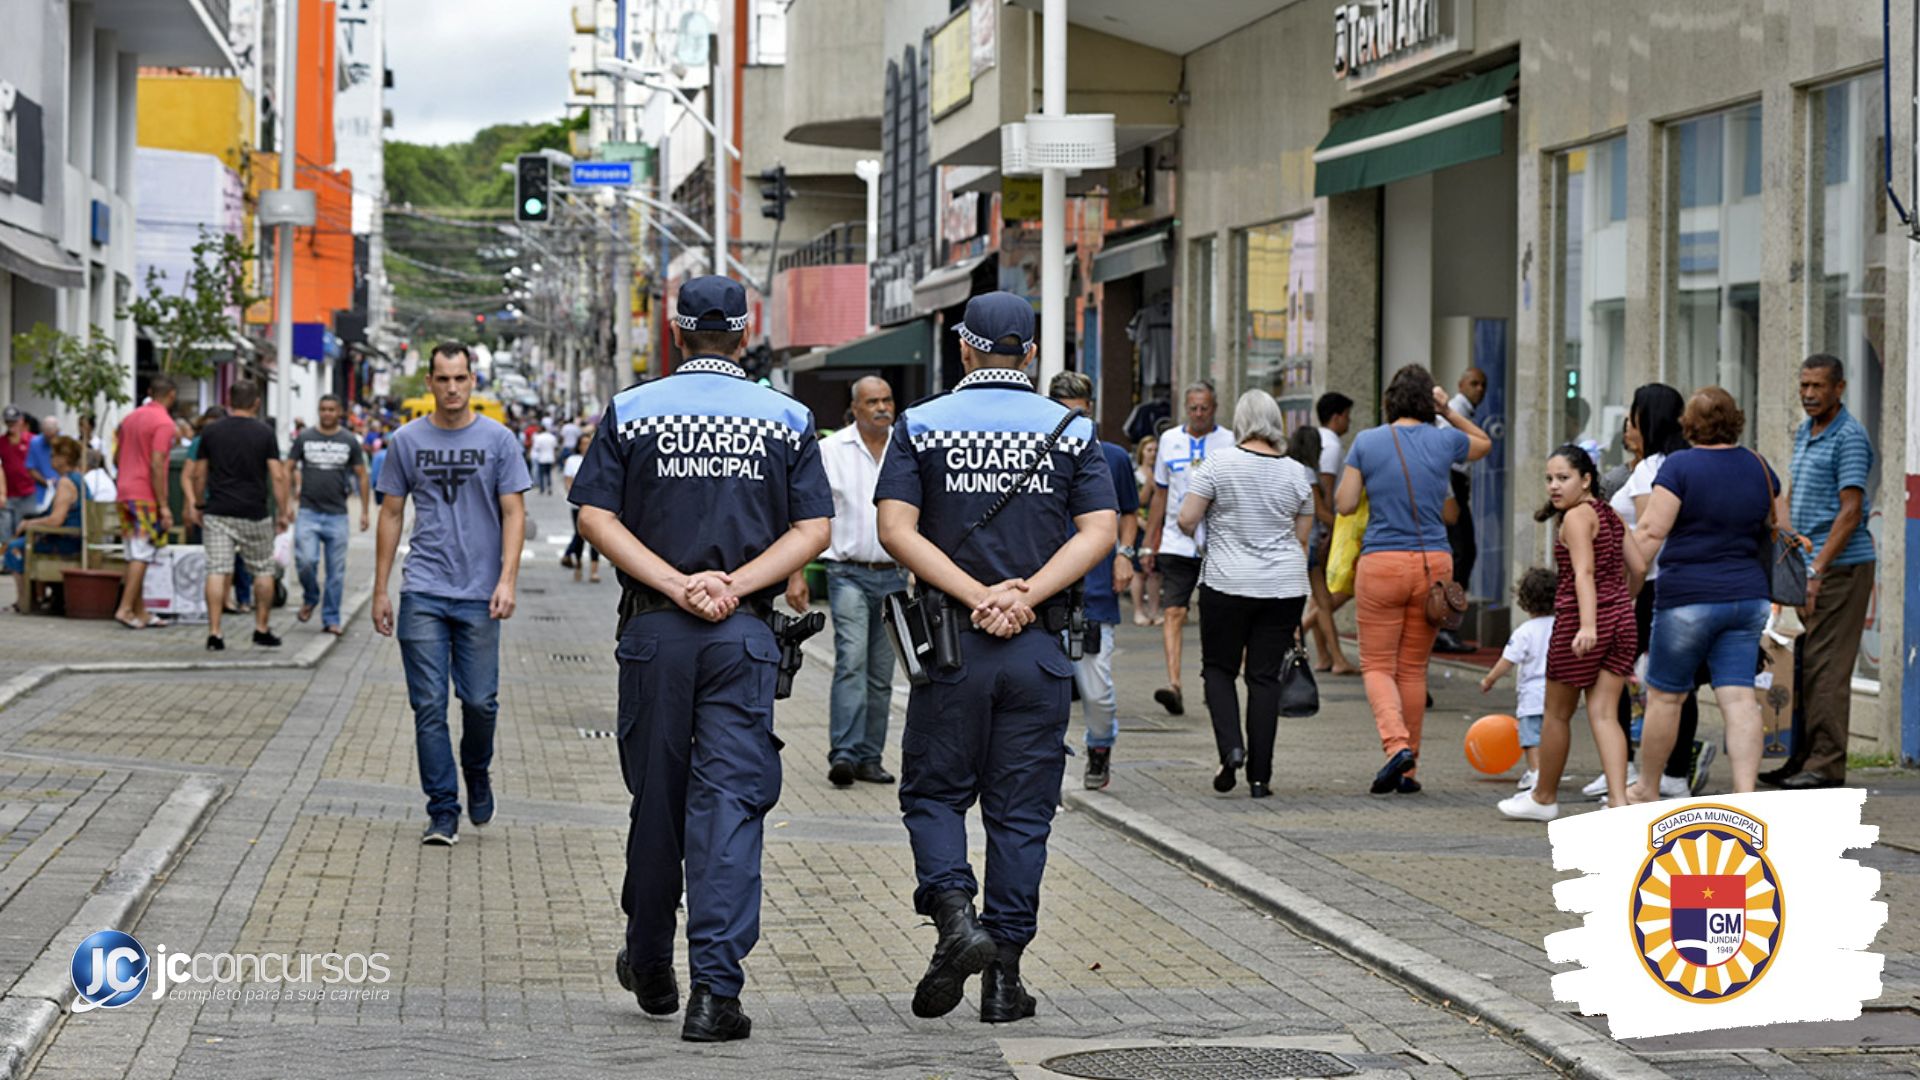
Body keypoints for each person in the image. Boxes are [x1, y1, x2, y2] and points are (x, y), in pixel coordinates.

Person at [570, 276, 830, 1042]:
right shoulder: (786, 417)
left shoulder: (633, 410)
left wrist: (676, 584)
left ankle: (650, 960)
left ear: (676, 335)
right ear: (744, 335)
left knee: (657, 802)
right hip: (741, 635)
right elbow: (813, 527)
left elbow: (592, 514)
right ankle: (715, 993)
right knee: (729, 811)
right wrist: (734, 586)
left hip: (656, 633)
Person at [874, 291, 1116, 1026]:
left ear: (964, 347)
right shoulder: (1070, 430)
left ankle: (955, 918)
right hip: (1039, 649)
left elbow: (894, 528)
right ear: (1032, 355)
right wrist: (1024, 596)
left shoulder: (920, 424)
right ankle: (1004, 979)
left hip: (952, 648)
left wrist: (977, 595)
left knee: (934, 795)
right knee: (1021, 817)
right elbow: (1100, 529)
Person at [372, 342, 531, 847]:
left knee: (481, 702)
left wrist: (507, 579)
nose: (453, 388)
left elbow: (514, 512)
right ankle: (443, 809)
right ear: (430, 382)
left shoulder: (499, 440)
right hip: (423, 589)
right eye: (443, 379)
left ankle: (477, 770)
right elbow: (391, 513)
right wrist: (380, 589)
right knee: (429, 706)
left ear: (473, 381)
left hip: (481, 593)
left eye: (461, 378)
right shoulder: (406, 441)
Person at [1336, 365, 1492, 795]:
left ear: (1389, 400)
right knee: (1411, 668)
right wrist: (1449, 411)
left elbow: (1345, 504)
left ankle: (1396, 746)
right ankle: (1409, 770)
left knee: (1377, 665)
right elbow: (1483, 444)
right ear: (1430, 401)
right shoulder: (1444, 439)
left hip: (1382, 563)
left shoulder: (1367, 442)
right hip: (1433, 567)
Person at [1624, 387, 1784, 802]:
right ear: (1736, 420)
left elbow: (1651, 532)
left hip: (1687, 598)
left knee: (1665, 696)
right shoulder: (1759, 466)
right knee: (1739, 697)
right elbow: (1777, 524)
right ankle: (1744, 792)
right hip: (1747, 599)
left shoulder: (1679, 467)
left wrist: (1626, 587)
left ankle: (1648, 787)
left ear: (1689, 424)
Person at [1177, 389, 1314, 799]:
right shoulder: (1296, 473)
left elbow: (1186, 518)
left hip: (1227, 582)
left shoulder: (1217, 463)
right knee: (1263, 677)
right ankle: (1260, 777)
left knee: (1218, 669)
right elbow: (1301, 538)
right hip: (1283, 587)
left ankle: (1231, 747)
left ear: (1239, 420)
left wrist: (1214, 529)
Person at [1498, 446, 1634, 821]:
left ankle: (1543, 797)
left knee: (1556, 713)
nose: (1554, 487)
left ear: (1586, 479)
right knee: (1605, 714)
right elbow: (1637, 566)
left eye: (1563, 478)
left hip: (1579, 623)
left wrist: (1589, 624)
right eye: (1549, 479)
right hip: (1621, 619)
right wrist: (1621, 603)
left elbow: (1582, 574)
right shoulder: (1611, 515)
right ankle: (1620, 802)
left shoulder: (1576, 518)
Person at [1593, 384, 1703, 801]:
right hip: (1688, 583)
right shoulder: (1690, 462)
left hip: (1650, 586)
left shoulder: (1650, 469)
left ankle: (1623, 768)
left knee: (1614, 672)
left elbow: (1646, 540)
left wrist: (1625, 594)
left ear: (1647, 418)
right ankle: (1672, 773)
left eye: (1634, 413)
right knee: (1678, 682)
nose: (1629, 422)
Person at [1773, 354, 1877, 790]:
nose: (1810, 394)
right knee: (1804, 665)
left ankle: (1826, 764)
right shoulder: (1806, 431)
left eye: (1818, 386)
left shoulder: (1849, 437)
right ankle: (1802, 756)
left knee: (1828, 668)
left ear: (1840, 388)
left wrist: (1815, 571)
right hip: (1807, 563)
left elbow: (1850, 512)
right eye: (1804, 386)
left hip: (1840, 568)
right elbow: (1796, 494)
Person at [801, 375, 908, 789]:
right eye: (873, 402)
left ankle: (869, 757)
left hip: (894, 575)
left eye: (888, 399)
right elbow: (809, 513)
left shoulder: (906, 446)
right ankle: (843, 753)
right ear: (855, 408)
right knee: (852, 661)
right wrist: (797, 574)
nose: (883, 408)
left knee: (882, 673)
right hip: (846, 573)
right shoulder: (830, 450)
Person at [1046, 372, 1139, 791]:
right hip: (1042, 590)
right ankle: (1043, 762)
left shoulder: (1114, 457)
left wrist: (1125, 553)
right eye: (1062, 413)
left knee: (1096, 688)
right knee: (1043, 689)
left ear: (1091, 409)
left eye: (1077, 413)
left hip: (1094, 591)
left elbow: (1129, 512)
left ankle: (1100, 746)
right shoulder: (1037, 451)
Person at [1140, 383, 1235, 715]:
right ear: (1185, 407)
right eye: (1193, 408)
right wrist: (1149, 544)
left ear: (1214, 407)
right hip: (1176, 541)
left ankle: (1215, 682)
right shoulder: (1169, 441)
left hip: (1218, 541)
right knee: (1174, 611)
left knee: (1217, 616)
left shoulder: (1229, 442)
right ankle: (1174, 684)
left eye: (1204, 408)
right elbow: (1160, 495)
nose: (1198, 414)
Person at [194, 380, 289, 651]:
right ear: (256, 403)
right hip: (254, 513)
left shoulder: (211, 432)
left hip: (218, 511)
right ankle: (261, 628)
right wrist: (283, 511)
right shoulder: (265, 433)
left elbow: (199, 473)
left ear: (229, 400)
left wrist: (199, 504)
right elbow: (278, 475)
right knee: (262, 569)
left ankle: (215, 633)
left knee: (217, 568)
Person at [290, 394, 370, 635]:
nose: (327, 413)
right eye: (323, 409)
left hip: (337, 515)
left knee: (336, 572)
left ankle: (331, 618)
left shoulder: (349, 440)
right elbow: (288, 467)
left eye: (331, 409)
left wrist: (365, 511)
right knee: (305, 561)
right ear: (318, 411)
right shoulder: (305, 437)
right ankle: (311, 596)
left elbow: (361, 475)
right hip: (308, 512)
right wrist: (286, 502)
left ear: (339, 413)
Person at [1479, 568, 1558, 793]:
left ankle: (1536, 773)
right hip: (1558, 691)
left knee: (1531, 737)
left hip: (1532, 695)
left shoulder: (1525, 631)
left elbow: (1507, 661)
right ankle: (1551, 772)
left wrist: (1489, 679)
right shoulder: (1561, 626)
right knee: (1553, 734)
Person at [113, 378, 180, 630]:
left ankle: (141, 611)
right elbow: (157, 461)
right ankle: (126, 608)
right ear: (171, 395)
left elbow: (117, 455)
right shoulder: (164, 423)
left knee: (133, 553)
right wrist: (163, 504)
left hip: (124, 489)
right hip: (145, 493)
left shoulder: (130, 418)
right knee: (143, 553)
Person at [1432, 368, 1487, 654]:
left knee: (1462, 555)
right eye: (1474, 383)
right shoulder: (1453, 411)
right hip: (1451, 480)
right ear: (1460, 384)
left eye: (1483, 385)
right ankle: (1444, 626)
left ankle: (1446, 625)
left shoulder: (1461, 411)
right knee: (1461, 554)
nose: (1479, 389)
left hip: (1457, 482)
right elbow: (1480, 444)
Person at [1306, 393, 1357, 675]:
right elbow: (1324, 491)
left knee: (1321, 596)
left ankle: (1327, 656)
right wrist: (1330, 530)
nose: (1349, 422)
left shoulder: (1322, 442)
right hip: (1325, 530)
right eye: (1347, 416)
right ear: (1337, 416)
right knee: (1330, 594)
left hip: (1319, 531)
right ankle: (1327, 654)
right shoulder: (1332, 446)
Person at [5, 436, 84, 611]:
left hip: (67, 541)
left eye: (53, 455)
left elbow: (56, 520)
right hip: (74, 538)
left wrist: (28, 524)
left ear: (63, 459)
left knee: (15, 547)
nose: (50, 460)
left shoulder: (66, 482)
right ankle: (36, 597)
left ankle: (25, 601)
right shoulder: (79, 479)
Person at [561, 432, 601, 583]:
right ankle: (578, 564)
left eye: (589, 443)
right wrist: (574, 496)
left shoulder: (599, 459)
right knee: (579, 535)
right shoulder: (573, 460)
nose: (586, 446)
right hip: (577, 505)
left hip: (595, 503)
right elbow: (568, 480)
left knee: (596, 537)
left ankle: (594, 571)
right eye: (583, 443)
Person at [1128, 436, 1160, 626]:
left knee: (1156, 571)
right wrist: (1149, 483)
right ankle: (1138, 610)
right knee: (1139, 570)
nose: (1153, 454)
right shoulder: (1136, 475)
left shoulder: (1161, 473)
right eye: (1149, 450)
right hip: (1139, 526)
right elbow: (1137, 501)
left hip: (1157, 527)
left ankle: (1154, 611)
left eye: (1156, 450)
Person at [1, 407, 38, 551]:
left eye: (14, 422)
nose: (12, 426)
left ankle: (21, 558)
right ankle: (5, 558)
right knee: (5, 528)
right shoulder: (2, 442)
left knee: (23, 528)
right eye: (9, 423)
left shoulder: (32, 440)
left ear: (21, 421)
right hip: (8, 492)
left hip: (28, 492)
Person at [25, 416, 60, 512]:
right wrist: (46, 482)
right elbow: (30, 468)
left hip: (62, 489)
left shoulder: (65, 442)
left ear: (58, 431)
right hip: (42, 493)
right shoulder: (35, 442)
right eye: (47, 436)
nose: (50, 440)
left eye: (52, 436)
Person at [530, 425, 559, 495]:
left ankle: (542, 489)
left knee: (541, 474)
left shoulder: (538, 438)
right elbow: (555, 448)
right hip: (550, 458)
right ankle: (549, 487)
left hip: (541, 458)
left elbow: (536, 448)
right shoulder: (552, 437)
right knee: (548, 474)